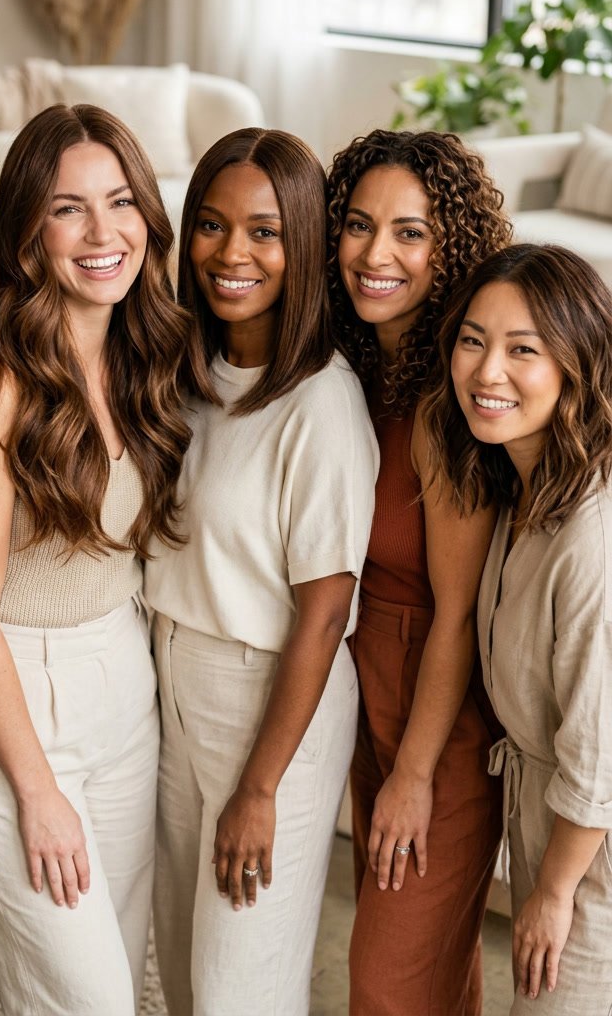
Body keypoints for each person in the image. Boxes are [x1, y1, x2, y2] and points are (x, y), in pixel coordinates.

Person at [0, 103, 190, 1016]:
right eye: (70, 208)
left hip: (125, 690)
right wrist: (35, 792)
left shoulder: (148, 358)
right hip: (9, 696)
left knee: (116, 960)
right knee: (82, 999)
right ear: (29, 229)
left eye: (120, 202)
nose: (103, 232)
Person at [145, 127, 378, 1016]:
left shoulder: (323, 401)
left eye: (264, 231)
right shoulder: (185, 372)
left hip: (272, 696)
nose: (231, 253)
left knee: (242, 985)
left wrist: (259, 787)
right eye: (210, 224)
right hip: (169, 679)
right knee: (183, 965)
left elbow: (324, 614)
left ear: (306, 246)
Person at [326, 129, 512, 1015]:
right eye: (359, 226)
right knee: (432, 964)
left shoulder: (450, 398)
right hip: (367, 685)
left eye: (410, 232)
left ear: (453, 248)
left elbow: (459, 614)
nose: (375, 255)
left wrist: (413, 773)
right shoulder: (360, 370)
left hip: (438, 712)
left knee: (388, 982)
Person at [424, 242, 612, 1014]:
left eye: (522, 349)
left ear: (577, 363)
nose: (486, 371)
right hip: (546, 817)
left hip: (592, 853)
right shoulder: (526, 484)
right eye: (473, 340)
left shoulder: (592, 538)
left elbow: (600, 753)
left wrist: (556, 890)